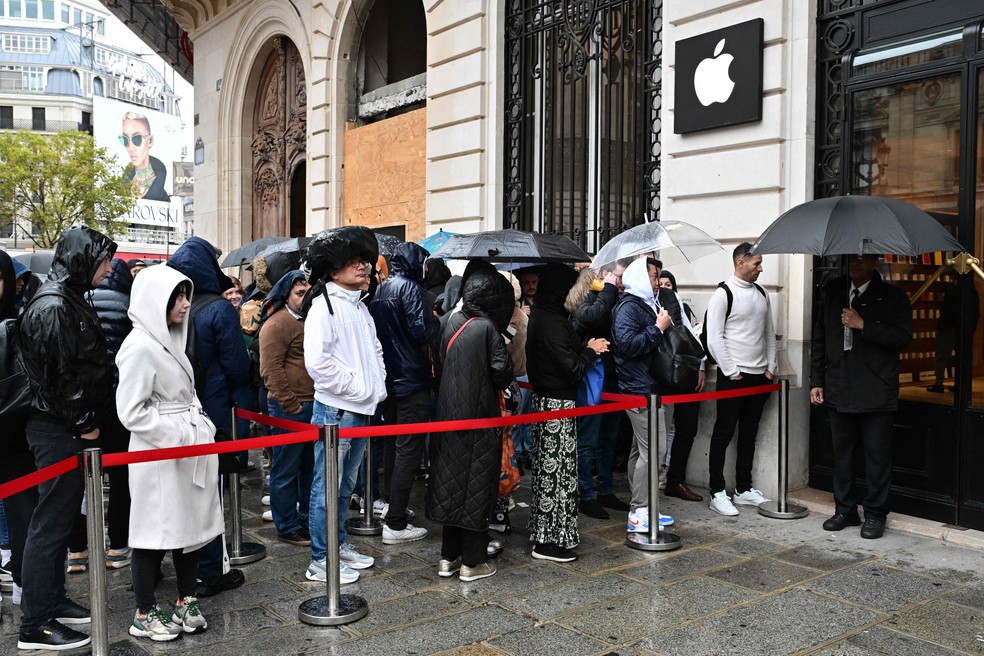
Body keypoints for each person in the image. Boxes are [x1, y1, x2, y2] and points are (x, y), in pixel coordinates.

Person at [17, 226, 116, 651]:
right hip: (58, 428)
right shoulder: (55, 304)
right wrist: (83, 424)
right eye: (103, 260)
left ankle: (51, 601)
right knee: (52, 522)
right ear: (82, 260)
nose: (109, 269)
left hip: (64, 425)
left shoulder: (67, 297)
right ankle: (35, 623)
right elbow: (59, 377)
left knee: (57, 520)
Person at [116, 264, 223, 641]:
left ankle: (185, 598)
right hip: (158, 453)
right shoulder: (139, 346)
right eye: (175, 297)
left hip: (185, 445)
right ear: (153, 301)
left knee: (188, 527)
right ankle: (144, 611)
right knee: (153, 530)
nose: (184, 304)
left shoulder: (171, 338)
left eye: (185, 295)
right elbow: (131, 410)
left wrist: (198, 426)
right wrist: (177, 432)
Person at [167, 236, 251, 597]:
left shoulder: (172, 308)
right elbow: (236, 365)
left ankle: (182, 564)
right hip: (214, 412)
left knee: (185, 492)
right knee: (210, 492)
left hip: (179, 411)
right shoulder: (218, 309)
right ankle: (210, 569)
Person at [302, 226, 385, 584]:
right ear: (334, 271)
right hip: (338, 412)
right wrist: (358, 387)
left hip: (361, 409)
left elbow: (375, 352)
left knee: (345, 486)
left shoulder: (359, 307)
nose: (363, 267)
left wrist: (373, 389)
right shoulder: (325, 307)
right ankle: (321, 558)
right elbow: (318, 363)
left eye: (364, 262)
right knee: (327, 486)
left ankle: (338, 544)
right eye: (353, 263)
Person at [811, 255, 912, 539]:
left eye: (862, 259)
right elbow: (821, 336)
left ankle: (876, 514)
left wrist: (863, 325)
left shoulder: (893, 297)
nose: (855, 263)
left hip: (876, 391)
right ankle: (845, 510)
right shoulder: (833, 291)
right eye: (852, 258)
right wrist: (816, 380)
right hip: (838, 387)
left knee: (876, 458)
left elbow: (903, 338)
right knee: (842, 456)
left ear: (874, 262)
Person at [427, 261, 515, 581]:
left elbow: (439, 364)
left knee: (451, 485)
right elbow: (502, 371)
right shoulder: (488, 327)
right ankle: (472, 563)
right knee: (477, 487)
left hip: (448, 416)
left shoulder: (448, 321)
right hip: (480, 417)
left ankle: (447, 558)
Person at [526, 263, 608, 563]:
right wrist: (592, 349)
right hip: (555, 405)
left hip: (552, 403)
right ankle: (548, 542)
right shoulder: (551, 321)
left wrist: (584, 347)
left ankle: (549, 534)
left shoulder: (548, 315)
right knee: (556, 474)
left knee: (556, 473)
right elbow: (573, 368)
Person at [66, 258, 136, 572]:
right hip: (119, 404)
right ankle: (118, 548)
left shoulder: (78, 305)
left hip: (85, 406)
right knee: (121, 480)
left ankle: (78, 551)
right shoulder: (129, 306)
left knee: (81, 479)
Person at [369, 242, 438, 544]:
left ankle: (390, 506)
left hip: (390, 380)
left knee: (393, 446)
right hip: (411, 379)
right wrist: (437, 319)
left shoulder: (383, 288)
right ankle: (395, 522)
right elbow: (421, 331)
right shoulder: (410, 289)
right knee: (408, 449)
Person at [704, 242, 776, 516]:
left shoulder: (762, 293)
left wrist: (771, 366)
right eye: (756, 263)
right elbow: (714, 338)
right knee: (723, 434)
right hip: (734, 378)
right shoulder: (723, 294)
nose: (761, 268)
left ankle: (743, 489)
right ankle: (717, 492)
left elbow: (769, 332)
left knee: (749, 434)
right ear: (740, 262)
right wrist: (732, 371)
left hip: (760, 377)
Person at [610, 258, 678, 534]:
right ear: (639, 277)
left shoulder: (646, 304)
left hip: (648, 386)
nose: (656, 282)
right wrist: (658, 328)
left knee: (642, 451)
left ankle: (646, 508)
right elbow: (627, 345)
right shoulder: (628, 306)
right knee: (654, 450)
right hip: (638, 389)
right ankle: (639, 510)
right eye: (652, 276)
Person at [567, 264, 630, 518]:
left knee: (608, 439)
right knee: (588, 439)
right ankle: (586, 494)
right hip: (593, 377)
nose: (622, 281)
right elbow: (589, 318)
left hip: (614, 377)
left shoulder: (619, 297)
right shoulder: (588, 295)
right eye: (618, 276)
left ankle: (605, 490)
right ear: (604, 275)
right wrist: (610, 289)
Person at [259, 271, 314, 546]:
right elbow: (270, 370)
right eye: (299, 293)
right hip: (290, 408)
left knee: (308, 468)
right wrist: (290, 404)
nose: (305, 297)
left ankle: (304, 521)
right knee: (285, 469)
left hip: (311, 405)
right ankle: (287, 525)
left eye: (307, 291)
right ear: (287, 296)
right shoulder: (277, 324)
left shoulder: (309, 320)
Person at [654, 267, 705, 503]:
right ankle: (652, 485)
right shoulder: (636, 300)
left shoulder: (672, 299)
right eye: (654, 278)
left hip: (682, 370)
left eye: (660, 279)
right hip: (654, 375)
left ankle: (675, 481)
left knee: (687, 425)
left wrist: (700, 365)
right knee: (656, 432)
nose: (658, 283)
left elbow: (689, 333)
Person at [120, 112, 169, 202]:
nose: (130, 148)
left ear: (149, 140)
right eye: (125, 139)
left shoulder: (162, 192)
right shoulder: (124, 184)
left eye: (137, 139)